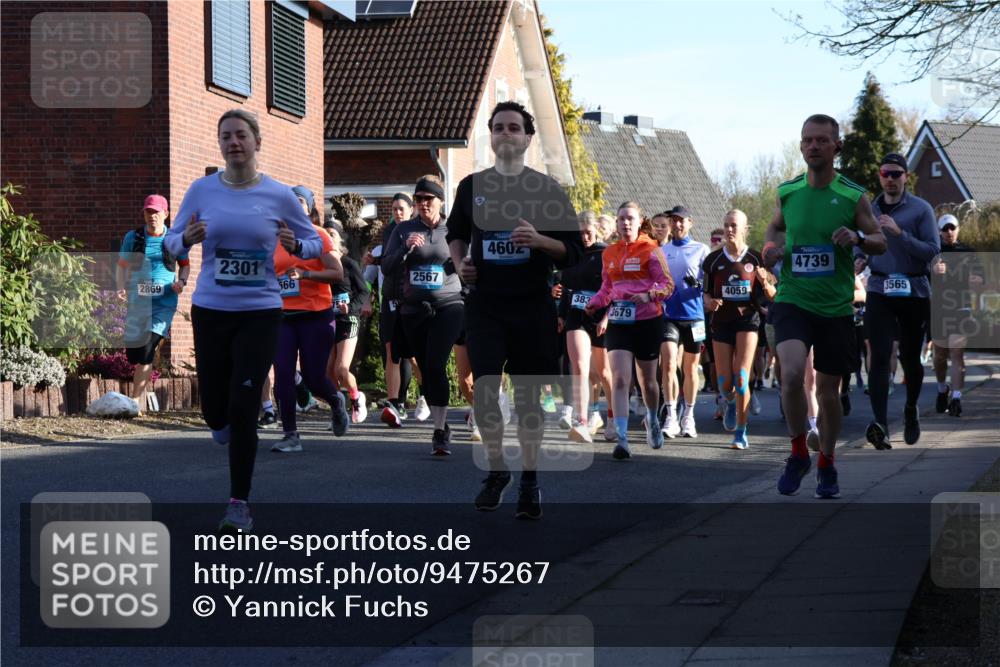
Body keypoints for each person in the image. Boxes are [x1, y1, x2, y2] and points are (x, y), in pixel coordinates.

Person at [164, 109, 324, 532]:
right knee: (215, 412)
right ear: (220, 144)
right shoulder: (201, 190)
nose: (233, 142)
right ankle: (219, 423)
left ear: (256, 142)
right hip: (212, 310)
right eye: (226, 136)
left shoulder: (279, 195)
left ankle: (239, 503)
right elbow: (170, 242)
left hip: (260, 311)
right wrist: (185, 240)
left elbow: (314, 242)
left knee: (244, 404)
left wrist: (296, 245)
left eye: (240, 135)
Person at [447, 101, 583, 520]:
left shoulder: (546, 190)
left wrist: (539, 241)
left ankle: (529, 479)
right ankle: (496, 471)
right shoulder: (471, 187)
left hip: (531, 307)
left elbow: (574, 252)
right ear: (491, 137)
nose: (505, 134)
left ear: (527, 138)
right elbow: (455, 234)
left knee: (527, 401)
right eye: (498, 128)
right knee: (486, 390)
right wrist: (461, 264)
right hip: (485, 305)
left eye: (513, 128)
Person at [763, 114, 886, 500]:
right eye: (807, 140)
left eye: (821, 140)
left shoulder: (852, 195)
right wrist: (770, 248)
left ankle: (827, 463)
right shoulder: (788, 192)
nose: (813, 146)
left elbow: (880, 240)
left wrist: (858, 238)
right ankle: (799, 452)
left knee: (829, 394)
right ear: (801, 146)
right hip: (793, 299)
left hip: (835, 307)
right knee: (791, 375)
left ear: (837, 146)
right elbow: (774, 227)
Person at [853, 153, 940, 449]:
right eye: (885, 174)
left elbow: (932, 251)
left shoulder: (921, 209)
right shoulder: (869, 209)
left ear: (906, 177)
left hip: (914, 289)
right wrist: (859, 258)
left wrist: (899, 233)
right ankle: (881, 424)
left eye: (896, 174)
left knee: (910, 358)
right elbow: (860, 243)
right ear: (879, 176)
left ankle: (910, 408)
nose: (890, 179)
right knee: (878, 356)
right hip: (880, 288)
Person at [584, 202, 675, 460]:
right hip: (620, 322)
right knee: (620, 379)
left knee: (648, 382)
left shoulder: (651, 250)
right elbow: (607, 288)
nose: (625, 223)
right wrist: (595, 302)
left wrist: (649, 295)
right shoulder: (609, 253)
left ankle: (653, 419)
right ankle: (622, 439)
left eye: (630, 219)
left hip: (648, 321)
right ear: (616, 223)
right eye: (621, 219)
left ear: (639, 222)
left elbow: (668, 285)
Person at [383, 175, 465, 455]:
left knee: (435, 364)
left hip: (449, 305)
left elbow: (470, 261)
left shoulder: (453, 229)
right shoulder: (403, 230)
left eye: (428, 199)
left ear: (440, 201)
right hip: (414, 310)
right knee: (426, 370)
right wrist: (405, 249)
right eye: (418, 199)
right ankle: (442, 421)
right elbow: (386, 267)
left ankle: (439, 431)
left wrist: (458, 266)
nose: (422, 204)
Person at [270, 185, 347, 452]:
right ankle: (290, 435)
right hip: (282, 317)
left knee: (314, 379)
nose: (293, 204)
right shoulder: (273, 239)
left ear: (309, 208)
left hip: (315, 315)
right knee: (283, 374)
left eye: (300, 201)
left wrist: (306, 275)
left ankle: (336, 401)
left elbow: (337, 273)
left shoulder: (319, 235)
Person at [116, 194, 190, 414]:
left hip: (164, 304)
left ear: (165, 214)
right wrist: (121, 286)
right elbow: (122, 265)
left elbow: (185, 265)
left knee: (147, 349)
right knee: (134, 354)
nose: (152, 216)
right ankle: (139, 396)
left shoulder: (174, 239)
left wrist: (181, 282)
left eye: (156, 212)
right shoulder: (133, 237)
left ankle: (135, 402)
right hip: (138, 302)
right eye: (148, 212)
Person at [703, 209, 770, 449]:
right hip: (721, 322)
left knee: (741, 378)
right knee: (724, 383)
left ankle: (741, 432)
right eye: (726, 225)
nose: (729, 230)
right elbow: (706, 293)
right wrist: (710, 302)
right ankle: (729, 401)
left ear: (744, 228)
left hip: (748, 320)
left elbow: (773, 293)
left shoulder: (756, 258)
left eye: (734, 225)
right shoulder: (713, 260)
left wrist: (764, 282)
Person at [557, 212, 611, 444]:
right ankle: (581, 420)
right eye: (580, 233)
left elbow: (616, 288)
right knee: (579, 366)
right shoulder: (572, 255)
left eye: (588, 232)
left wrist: (607, 317)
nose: (584, 237)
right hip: (576, 316)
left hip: (601, 318)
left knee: (604, 373)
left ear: (596, 230)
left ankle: (611, 417)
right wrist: (561, 315)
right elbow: (565, 288)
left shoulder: (606, 254)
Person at [658, 205, 710, 438]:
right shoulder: (662, 251)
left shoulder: (701, 249)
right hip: (669, 316)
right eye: (674, 220)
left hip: (694, 316)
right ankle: (671, 416)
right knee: (669, 364)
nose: (677, 224)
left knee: (690, 368)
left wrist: (698, 285)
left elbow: (708, 284)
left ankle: (688, 416)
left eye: (681, 220)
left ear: (690, 223)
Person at [931, 213, 984, 417]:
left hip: (961, 307)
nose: (949, 232)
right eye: (945, 229)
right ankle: (942, 389)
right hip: (939, 309)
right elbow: (922, 279)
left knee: (956, 352)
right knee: (939, 356)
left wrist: (976, 281)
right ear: (939, 232)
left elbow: (980, 280)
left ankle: (956, 398)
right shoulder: (934, 251)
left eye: (952, 228)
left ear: (958, 229)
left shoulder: (969, 252)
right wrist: (933, 271)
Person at [326, 225, 370, 424]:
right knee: (328, 371)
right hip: (328, 321)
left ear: (340, 240)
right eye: (325, 233)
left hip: (347, 319)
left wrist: (350, 308)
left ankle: (356, 397)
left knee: (341, 369)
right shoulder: (320, 264)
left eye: (332, 234)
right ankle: (339, 411)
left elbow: (363, 291)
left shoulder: (349, 263)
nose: (328, 236)